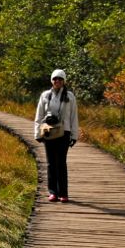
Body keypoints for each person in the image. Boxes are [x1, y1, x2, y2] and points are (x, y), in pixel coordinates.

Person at [34, 68, 79, 202]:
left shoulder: (70, 96)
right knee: (50, 163)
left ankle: (63, 193)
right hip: (48, 131)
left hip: (64, 132)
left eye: (60, 79)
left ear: (64, 81)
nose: (57, 81)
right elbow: (39, 115)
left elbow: (73, 117)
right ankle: (53, 192)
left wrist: (74, 135)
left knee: (61, 163)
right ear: (51, 81)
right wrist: (37, 133)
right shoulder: (45, 95)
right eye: (55, 79)